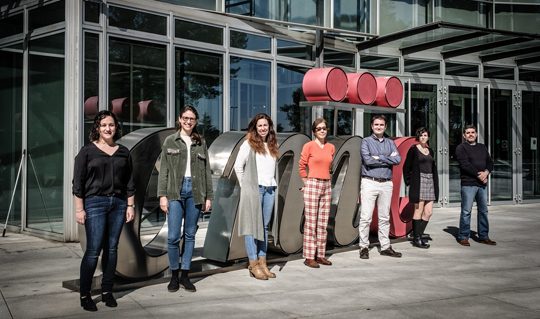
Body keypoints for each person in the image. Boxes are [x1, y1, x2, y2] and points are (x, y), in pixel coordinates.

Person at [73, 110, 135, 312]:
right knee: (93, 250)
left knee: (112, 248)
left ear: (116, 127)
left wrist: (130, 205)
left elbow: (130, 182)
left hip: (118, 203)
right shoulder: (87, 151)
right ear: (97, 128)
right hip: (94, 203)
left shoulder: (124, 152)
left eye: (111, 125)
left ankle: (107, 291)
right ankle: (85, 295)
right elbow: (78, 183)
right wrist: (79, 209)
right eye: (103, 125)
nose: (108, 128)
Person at [157, 106, 214, 293]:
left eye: (192, 119)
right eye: (185, 118)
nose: (188, 121)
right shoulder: (170, 141)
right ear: (180, 119)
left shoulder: (201, 142)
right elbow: (164, 169)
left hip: (196, 192)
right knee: (173, 237)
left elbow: (206, 171)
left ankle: (185, 275)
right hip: (175, 191)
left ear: (196, 121)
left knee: (190, 235)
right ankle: (173, 276)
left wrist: (208, 197)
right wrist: (162, 196)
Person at [235, 113, 279, 280]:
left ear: (269, 127)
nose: (262, 128)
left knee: (264, 227)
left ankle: (263, 262)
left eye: (265, 125)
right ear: (255, 127)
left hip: (270, 189)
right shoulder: (248, 144)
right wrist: (246, 187)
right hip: (254, 189)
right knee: (252, 227)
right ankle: (253, 264)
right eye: (259, 125)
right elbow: (238, 167)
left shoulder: (273, 145)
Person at [359, 114, 402, 259]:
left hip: (386, 183)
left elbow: (397, 159)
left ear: (385, 127)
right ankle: (363, 247)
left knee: (384, 217)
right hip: (369, 182)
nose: (379, 127)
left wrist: (379, 157)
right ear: (372, 126)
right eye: (376, 124)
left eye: (381, 125)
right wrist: (387, 158)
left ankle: (385, 246)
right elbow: (368, 160)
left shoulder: (390, 143)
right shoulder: (365, 142)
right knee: (366, 216)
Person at [299, 118, 335, 268]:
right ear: (314, 131)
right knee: (311, 222)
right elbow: (301, 166)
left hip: (326, 184)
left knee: (323, 222)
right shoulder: (308, 146)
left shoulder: (331, 147)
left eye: (324, 128)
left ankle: (320, 254)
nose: (322, 130)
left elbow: (329, 167)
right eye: (319, 128)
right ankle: (309, 256)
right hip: (313, 183)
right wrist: (307, 184)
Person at [456, 125, 496, 246]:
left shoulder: (482, 147)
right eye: (468, 133)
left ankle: (484, 236)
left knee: (483, 211)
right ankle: (463, 236)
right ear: (464, 135)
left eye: (473, 132)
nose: (471, 134)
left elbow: (490, 162)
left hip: (482, 184)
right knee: (466, 211)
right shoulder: (461, 148)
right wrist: (480, 176)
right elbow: (464, 165)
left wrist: (486, 172)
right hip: (468, 184)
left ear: (476, 134)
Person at [403, 127, 439, 249]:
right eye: (421, 135)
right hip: (419, 181)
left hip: (430, 181)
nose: (423, 137)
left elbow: (432, 167)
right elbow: (406, 167)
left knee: (429, 212)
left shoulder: (430, 151)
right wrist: (409, 181)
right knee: (418, 210)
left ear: (428, 137)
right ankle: (417, 239)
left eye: (425, 135)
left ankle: (417, 234)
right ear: (418, 137)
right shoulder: (413, 150)